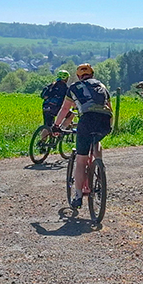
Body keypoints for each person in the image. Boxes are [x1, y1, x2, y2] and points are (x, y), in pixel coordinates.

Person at [53, 63, 113, 209]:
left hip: (87, 121)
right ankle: (98, 164)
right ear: (92, 74)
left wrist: (56, 126)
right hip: (105, 121)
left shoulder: (74, 87)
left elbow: (65, 109)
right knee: (96, 140)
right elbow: (110, 109)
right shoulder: (102, 86)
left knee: (81, 160)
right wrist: (110, 127)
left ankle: (78, 196)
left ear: (79, 76)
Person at [40, 70, 72, 139]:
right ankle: (60, 129)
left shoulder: (51, 85)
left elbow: (43, 95)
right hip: (56, 107)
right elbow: (69, 100)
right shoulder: (65, 88)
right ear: (66, 78)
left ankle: (42, 142)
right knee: (71, 115)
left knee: (47, 125)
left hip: (46, 107)